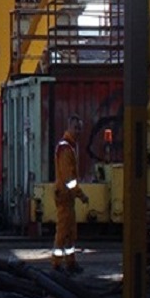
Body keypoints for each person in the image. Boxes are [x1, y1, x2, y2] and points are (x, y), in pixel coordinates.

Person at [53, 114, 90, 274]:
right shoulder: (66, 149)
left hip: (66, 195)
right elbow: (69, 179)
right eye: (76, 128)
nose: (78, 131)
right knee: (63, 231)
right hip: (65, 195)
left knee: (69, 231)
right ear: (69, 127)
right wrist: (81, 195)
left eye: (79, 128)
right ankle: (57, 264)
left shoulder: (68, 147)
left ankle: (70, 262)